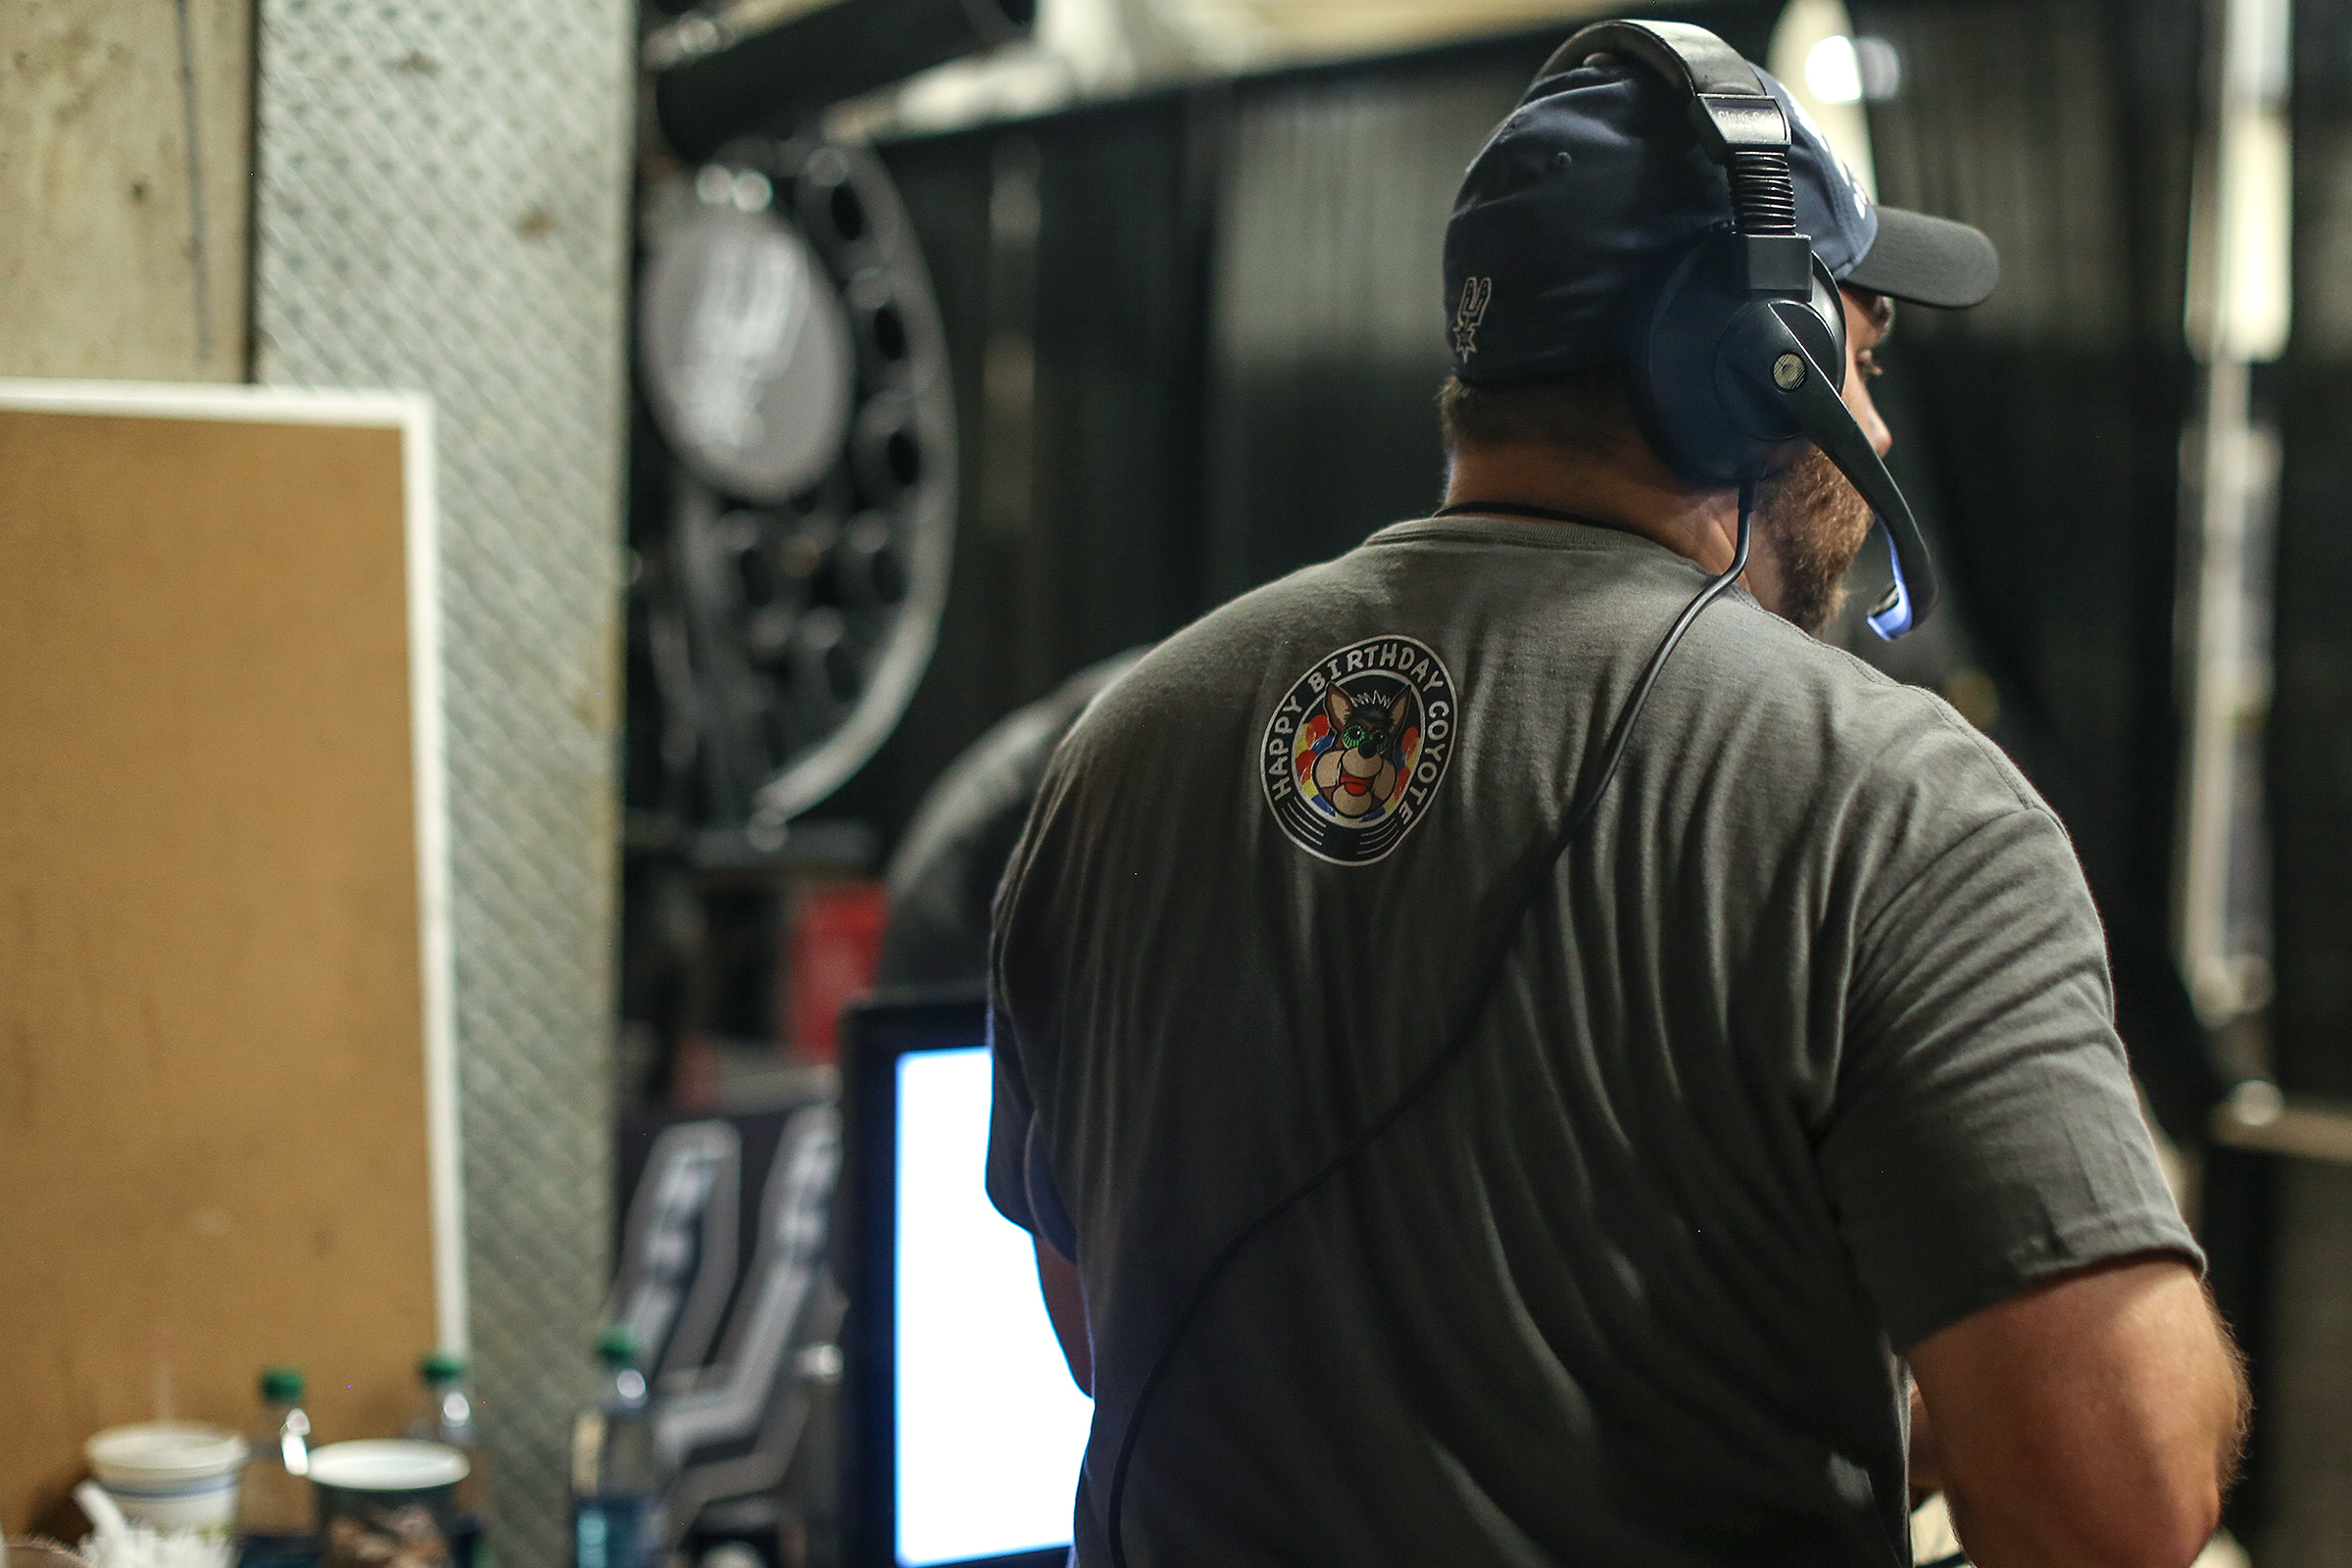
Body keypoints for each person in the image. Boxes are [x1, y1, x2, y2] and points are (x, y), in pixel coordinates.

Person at [987, 29, 2246, 1568]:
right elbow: (2117, 1498)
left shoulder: (1120, 747)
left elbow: (1104, 1328)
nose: (1879, 430)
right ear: (1761, 367)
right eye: (1863, 360)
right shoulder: (1895, 806)